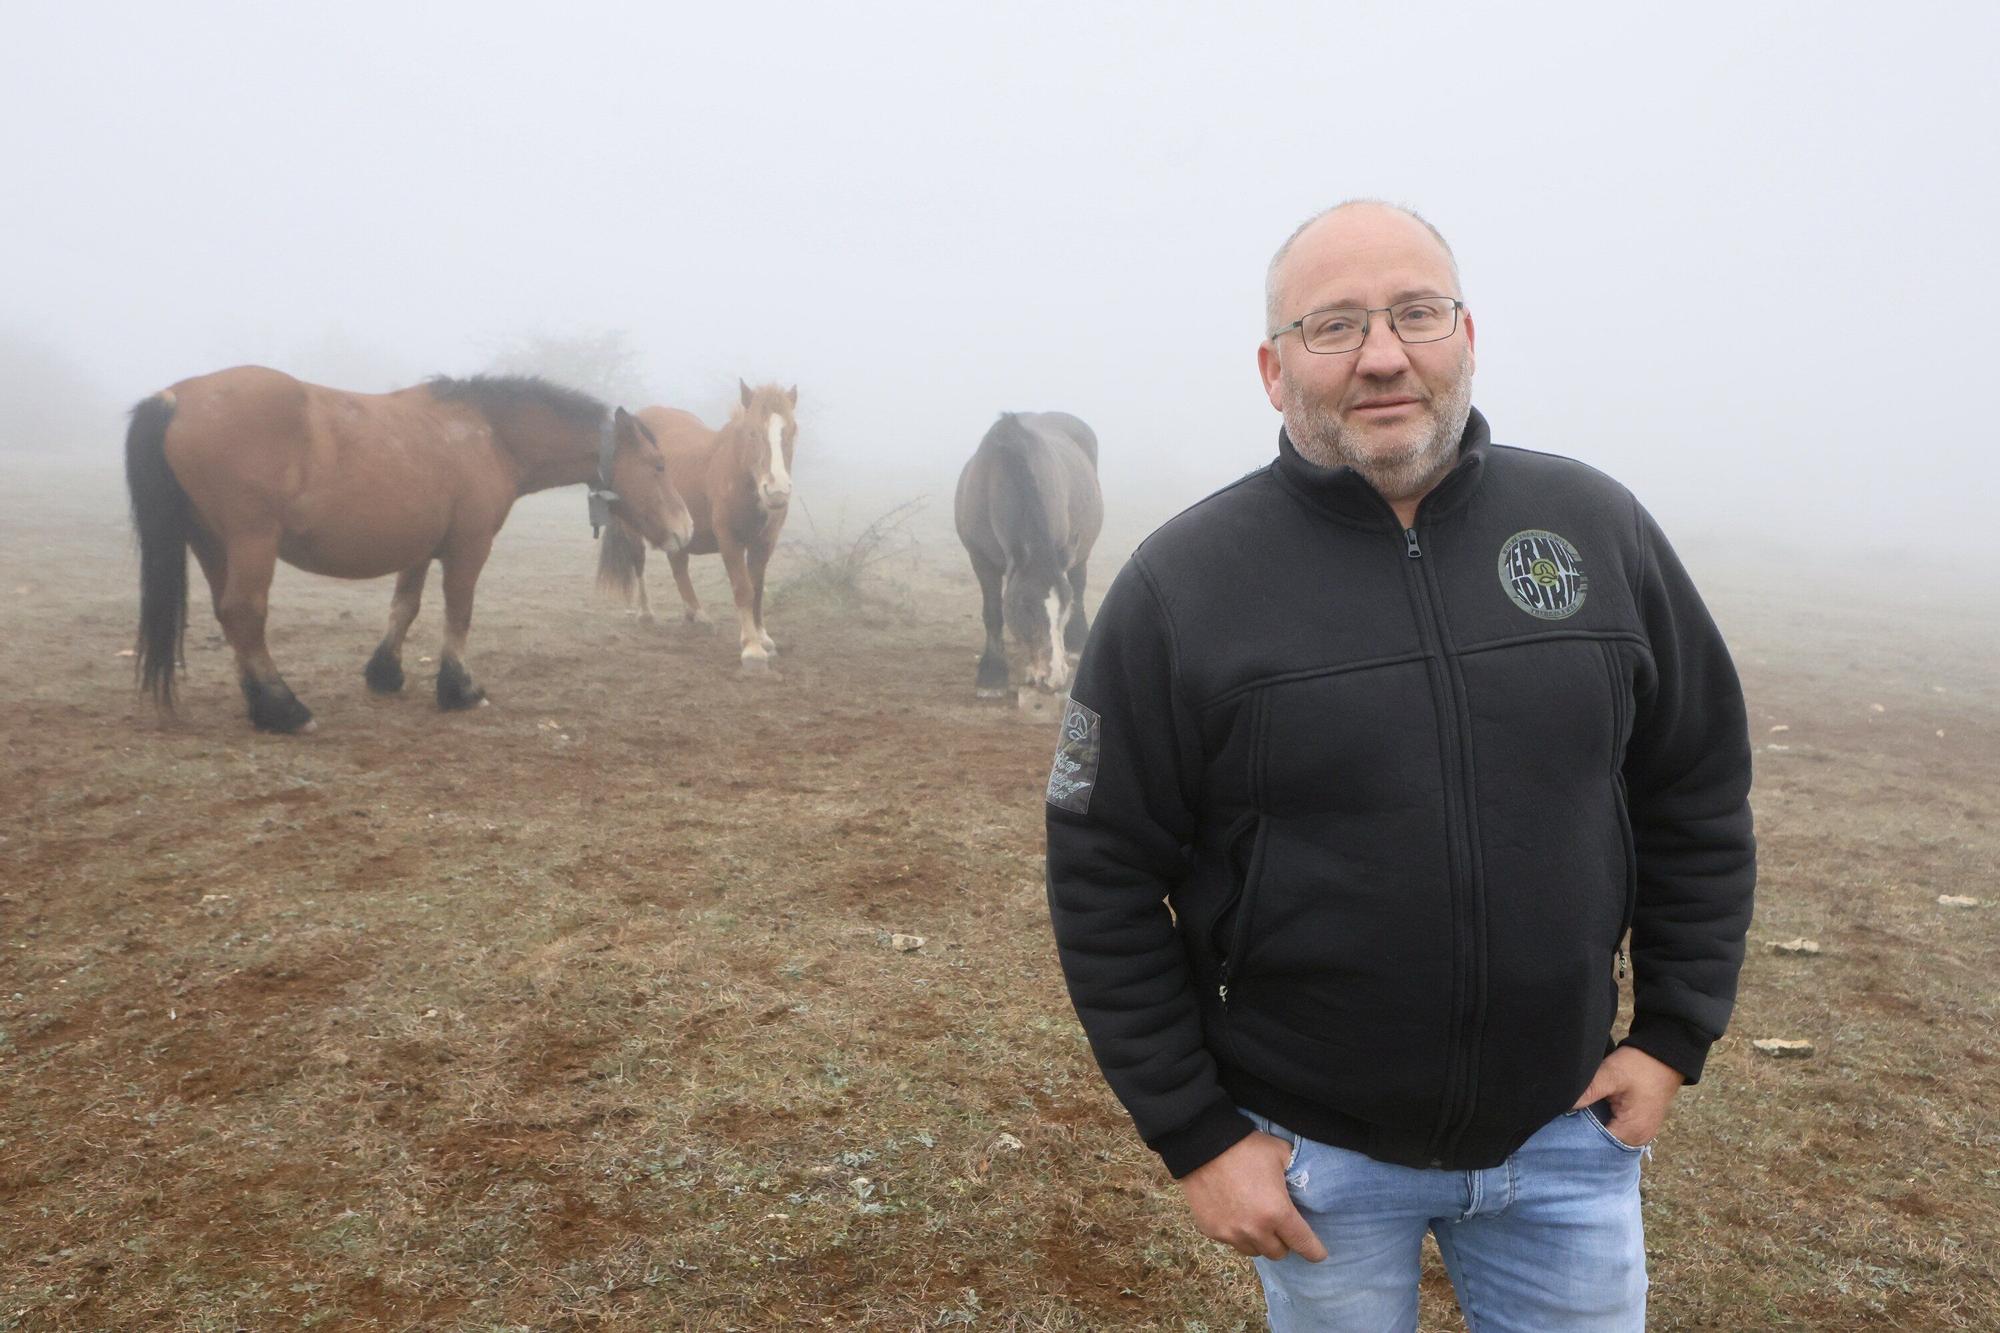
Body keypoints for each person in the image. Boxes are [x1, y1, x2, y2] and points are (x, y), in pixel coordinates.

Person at [1042, 200, 1755, 1331]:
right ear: (1274, 370)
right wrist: (1197, 1135)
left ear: (1465, 336)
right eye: (1333, 327)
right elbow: (1101, 871)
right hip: (1313, 1157)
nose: (1382, 355)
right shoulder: (1183, 584)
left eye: (1414, 313)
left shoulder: (1595, 527)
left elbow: (1695, 791)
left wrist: (1670, 1034)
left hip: (1567, 1141)